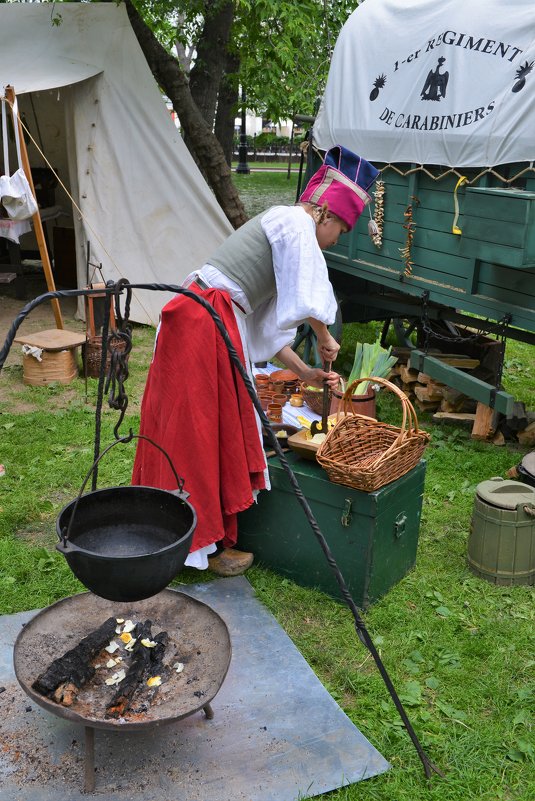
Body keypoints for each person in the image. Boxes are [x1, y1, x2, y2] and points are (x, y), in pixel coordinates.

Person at [132, 145, 379, 576]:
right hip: (200, 323)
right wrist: (324, 336)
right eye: (341, 227)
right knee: (195, 433)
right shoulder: (293, 221)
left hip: (209, 321)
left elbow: (260, 326)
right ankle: (194, 542)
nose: (339, 239)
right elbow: (310, 296)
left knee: (199, 430)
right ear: (323, 213)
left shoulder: (286, 236)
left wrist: (305, 371)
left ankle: (190, 535)